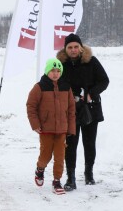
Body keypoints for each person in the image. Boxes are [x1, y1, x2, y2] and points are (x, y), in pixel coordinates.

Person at [56, 33, 109, 191]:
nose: (73, 50)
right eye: (70, 47)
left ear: (81, 48)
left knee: (89, 143)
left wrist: (90, 94)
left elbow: (104, 80)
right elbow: (55, 82)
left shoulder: (91, 61)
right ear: (65, 49)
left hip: (90, 108)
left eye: (76, 47)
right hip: (69, 110)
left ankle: (89, 173)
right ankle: (71, 178)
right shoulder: (61, 64)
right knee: (70, 144)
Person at [26, 58, 76, 195]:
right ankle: (40, 169)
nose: (55, 73)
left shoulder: (66, 87)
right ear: (47, 71)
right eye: (53, 71)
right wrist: (35, 124)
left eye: (58, 71)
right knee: (45, 155)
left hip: (61, 131)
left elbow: (71, 109)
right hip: (45, 129)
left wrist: (71, 128)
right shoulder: (39, 87)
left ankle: (57, 181)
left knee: (60, 157)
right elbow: (31, 106)